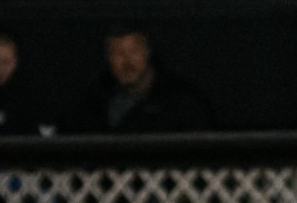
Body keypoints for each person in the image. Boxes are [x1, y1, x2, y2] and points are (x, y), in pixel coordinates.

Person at [69, 24, 213, 133]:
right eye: (117, 53)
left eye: (133, 51)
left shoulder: (180, 99)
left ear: (147, 51)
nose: (126, 61)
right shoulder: (96, 101)